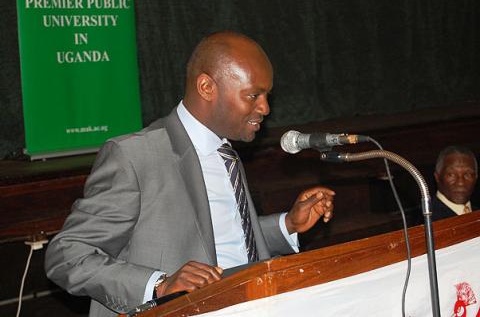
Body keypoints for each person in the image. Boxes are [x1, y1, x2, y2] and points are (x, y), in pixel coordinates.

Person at [44, 31, 335, 317]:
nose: (265, 108)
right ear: (207, 87)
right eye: (253, 95)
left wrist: (288, 225)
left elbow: (226, 239)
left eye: (266, 95)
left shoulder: (225, 151)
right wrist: (158, 285)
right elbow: (67, 255)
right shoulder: (136, 156)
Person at [431, 145, 478, 221]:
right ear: (437, 177)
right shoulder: (423, 222)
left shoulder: (476, 215)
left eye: (467, 174)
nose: (460, 182)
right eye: (451, 174)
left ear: (475, 178)